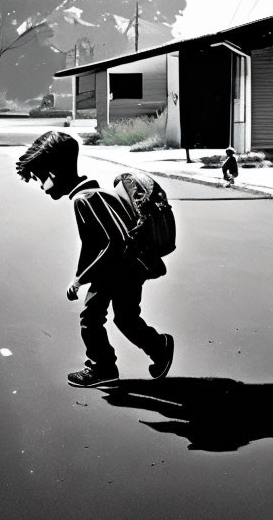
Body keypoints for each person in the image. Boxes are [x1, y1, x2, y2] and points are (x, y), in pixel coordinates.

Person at [16, 131, 175, 388]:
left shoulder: (84, 200)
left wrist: (80, 280)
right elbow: (92, 246)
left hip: (116, 270)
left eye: (40, 179)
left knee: (91, 320)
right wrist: (80, 274)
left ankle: (102, 368)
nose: (41, 187)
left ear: (53, 175)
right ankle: (159, 347)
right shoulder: (95, 192)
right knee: (126, 319)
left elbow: (112, 243)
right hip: (130, 267)